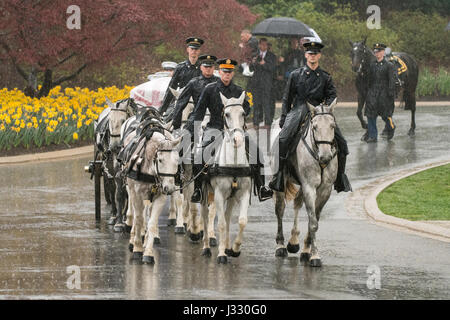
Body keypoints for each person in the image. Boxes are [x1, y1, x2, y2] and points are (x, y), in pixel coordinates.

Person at [185, 58, 273, 203]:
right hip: (214, 127)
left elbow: (247, 108)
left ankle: (262, 187)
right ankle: (198, 190)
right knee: (200, 154)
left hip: (235, 129)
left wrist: (239, 116)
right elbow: (199, 111)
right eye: (224, 71)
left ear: (232, 74)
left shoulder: (239, 91)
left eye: (230, 72)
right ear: (219, 72)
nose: (227, 74)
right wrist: (191, 128)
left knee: (257, 153)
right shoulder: (210, 89)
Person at [269, 41, 352, 193]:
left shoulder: (325, 77)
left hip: (320, 112)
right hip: (299, 109)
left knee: (343, 143)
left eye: (315, 53)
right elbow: (287, 97)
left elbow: (332, 94)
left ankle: (340, 178)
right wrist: (284, 116)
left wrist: (324, 108)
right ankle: (279, 176)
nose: (312, 56)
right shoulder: (295, 75)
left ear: (319, 56)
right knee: (282, 139)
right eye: (310, 53)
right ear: (306, 55)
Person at [172, 55, 219, 131]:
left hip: (216, 118)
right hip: (197, 117)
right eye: (206, 67)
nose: (208, 69)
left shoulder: (219, 83)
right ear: (201, 67)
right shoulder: (193, 83)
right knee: (185, 137)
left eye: (210, 67)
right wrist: (176, 123)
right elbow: (181, 102)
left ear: (214, 68)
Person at [160, 37, 204, 115]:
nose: (194, 51)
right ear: (188, 50)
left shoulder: (203, 68)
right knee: (168, 121)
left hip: (198, 103)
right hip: (181, 101)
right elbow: (171, 88)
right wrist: (163, 109)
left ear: (199, 51)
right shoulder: (180, 68)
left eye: (196, 49)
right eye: (192, 49)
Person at [364, 43, 396, 143]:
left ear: (383, 52)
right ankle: (373, 136)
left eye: (379, 51)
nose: (377, 53)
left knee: (385, 115)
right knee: (370, 115)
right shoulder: (372, 65)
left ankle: (391, 127)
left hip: (384, 94)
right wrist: (368, 92)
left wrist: (390, 94)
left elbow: (391, 81)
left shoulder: (389, 65)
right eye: (375, 52)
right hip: (373, 93)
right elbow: (369, 80)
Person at [248, 38, 276, 130]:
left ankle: (267, 122)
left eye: (265, 45)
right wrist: (253, 62)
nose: (263, 46)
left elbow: (272, 68)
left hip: (267, 83)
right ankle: (255, 122)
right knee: (256, 103)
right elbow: (251, 69)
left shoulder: (271, 56)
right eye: (262, 44)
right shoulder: (255, 55)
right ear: (259, 45)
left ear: (267, 45)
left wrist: (264, 64)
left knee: (266, 103)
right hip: (256, 83)